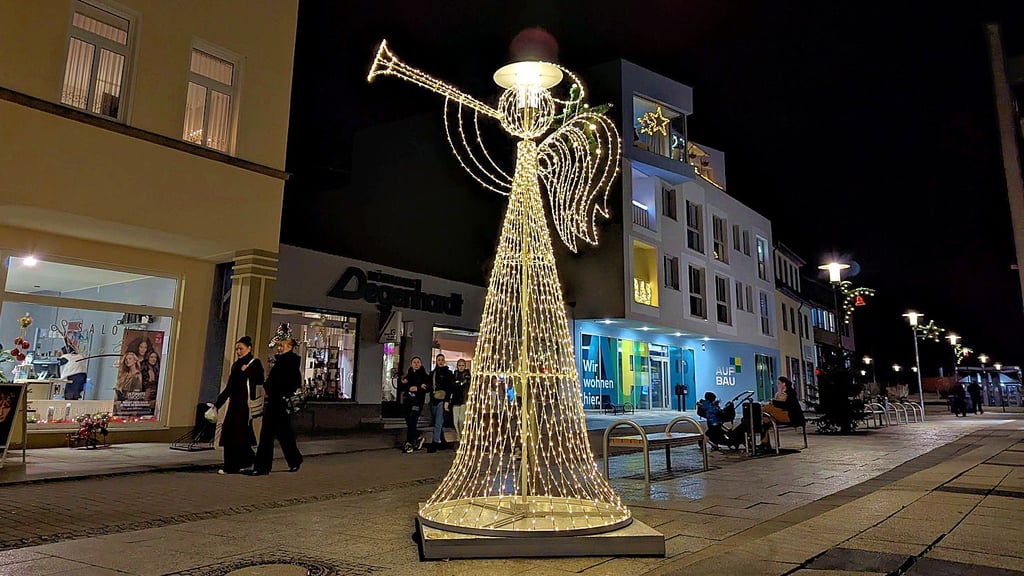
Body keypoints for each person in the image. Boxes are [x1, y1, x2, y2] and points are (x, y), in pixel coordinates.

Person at [251, 337, 303, 475]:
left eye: (282, 345)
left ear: (290, 347)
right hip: (278, 402)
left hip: (279, 402)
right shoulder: (286, 362)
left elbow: (283, 382)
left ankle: (263, 467)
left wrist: (271, 387)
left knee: (271, 435)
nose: (279, 348)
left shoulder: (286, 363)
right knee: (281, 434)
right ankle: (293, 460)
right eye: (279, 345)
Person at [212, 336, 263, 474]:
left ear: (249, 348)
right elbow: (229, 387)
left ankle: (232, 466)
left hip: (244, 406)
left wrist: (247, 371)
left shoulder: (255, 363)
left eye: (241, 348)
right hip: (234, 404)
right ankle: (244, 461)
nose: (238, 351)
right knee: (233, 435)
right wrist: (217, 404)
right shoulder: (235, 365)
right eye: (237, 349)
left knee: (237, 435)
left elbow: (260, 379)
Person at [760, 376, 806, 451]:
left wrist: (774, 402)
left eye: (779, 383)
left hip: (791, 416)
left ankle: (764, 441)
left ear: (784, 384)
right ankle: (764, 442)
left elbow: (786, 405)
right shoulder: (781, 393)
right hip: (785, 414)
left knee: (767, 409)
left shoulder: (790, 393)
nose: (778, 385)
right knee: (765, 419)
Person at [426, 354, 454, 452]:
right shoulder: (433, 373)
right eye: (439, 360)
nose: (440, 361)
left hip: (442, 400)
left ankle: (435, 443)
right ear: (436, 361)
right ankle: (442, 441)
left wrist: (447, 401)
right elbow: (429, 386)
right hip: (433, 400)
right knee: (437, 422)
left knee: (438, 421)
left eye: (442, 360)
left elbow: (449, 388)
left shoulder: (448, 373)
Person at [400, 356, 429, 453]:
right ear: (411, 364)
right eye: (414, 362)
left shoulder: (424, 375)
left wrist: (418, 388)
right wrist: (408, 387)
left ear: (421, 364)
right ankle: (418, 436)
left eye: (418, 362)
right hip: (408, 401)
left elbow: (427, 388)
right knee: (409, 421)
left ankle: (409, 443)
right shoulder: (408, 375)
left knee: (413, 420)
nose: (416, 364)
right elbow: (403, 386)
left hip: (417, 402)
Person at [450, 359, 471, 445]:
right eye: (459, 365)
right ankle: (459, 438)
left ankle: (463, 438)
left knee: (461, 420)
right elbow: (453, 386)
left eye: (462, 365)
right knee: (455, 421)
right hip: (455, 401)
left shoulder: (468, 376)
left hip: (463, 400)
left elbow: (465, 386)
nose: (461, 367)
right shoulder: (454, 375)